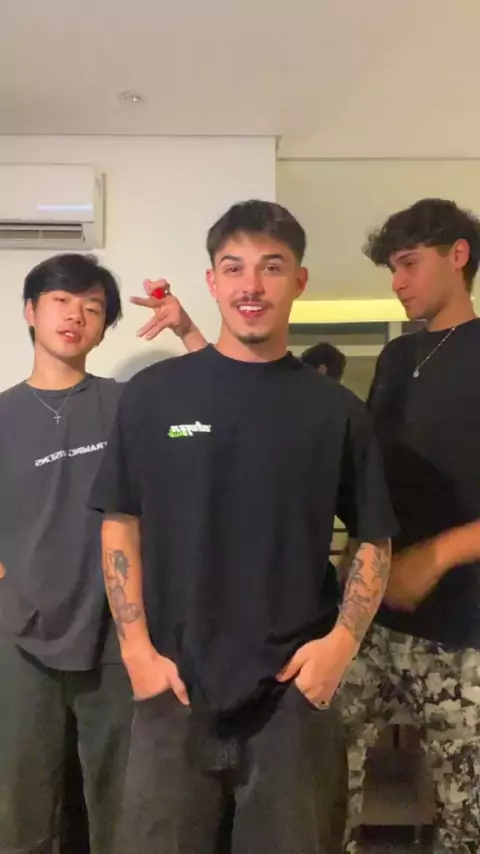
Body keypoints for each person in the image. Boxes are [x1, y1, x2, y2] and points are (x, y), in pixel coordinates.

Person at [89, 199, 397, 854]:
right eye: (234, 268)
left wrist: (341, 644)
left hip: (291, 700)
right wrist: (136, 649)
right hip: (172, 688)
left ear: (299, 281)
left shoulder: (336, 411)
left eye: (272, 267)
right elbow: (120, 523)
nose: (251, 286)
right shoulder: (153, 396)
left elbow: (374, 536)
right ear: (212, 281)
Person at [0, 255, 202, 854]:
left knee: (123, 810)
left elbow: (214, 411)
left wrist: (188, 330)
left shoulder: (126, 404)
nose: (75, 316)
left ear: (104, 328)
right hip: (20, 638)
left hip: (116, 637)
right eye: (61, 301)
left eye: (92, 308)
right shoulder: (3, 414)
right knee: (22, 812)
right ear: (31, 312)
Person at [339, 198, 480, 854]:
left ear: (459, 256)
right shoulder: (396, 359)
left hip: (466, 631)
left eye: (409, 264)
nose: (397, 282)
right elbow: (376, 479)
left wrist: (442, 553)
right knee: (322, 773)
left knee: (466, 812)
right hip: (374, 621)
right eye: (392, 268)